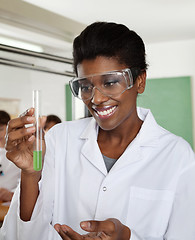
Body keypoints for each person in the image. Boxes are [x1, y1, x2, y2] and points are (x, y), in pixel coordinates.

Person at [1, 22, 195, 240]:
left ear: (140, 81)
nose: (96, 99)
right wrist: (30, 174)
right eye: (85, 86)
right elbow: (20, 235)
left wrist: (127, 237)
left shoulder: (177, 156)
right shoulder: (59, 139)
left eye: (110, 83)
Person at [0, 111, 20, 202]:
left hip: (12, 201)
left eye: (1, 129)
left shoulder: (18, 152)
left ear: (8, 128)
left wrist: (12, 194)